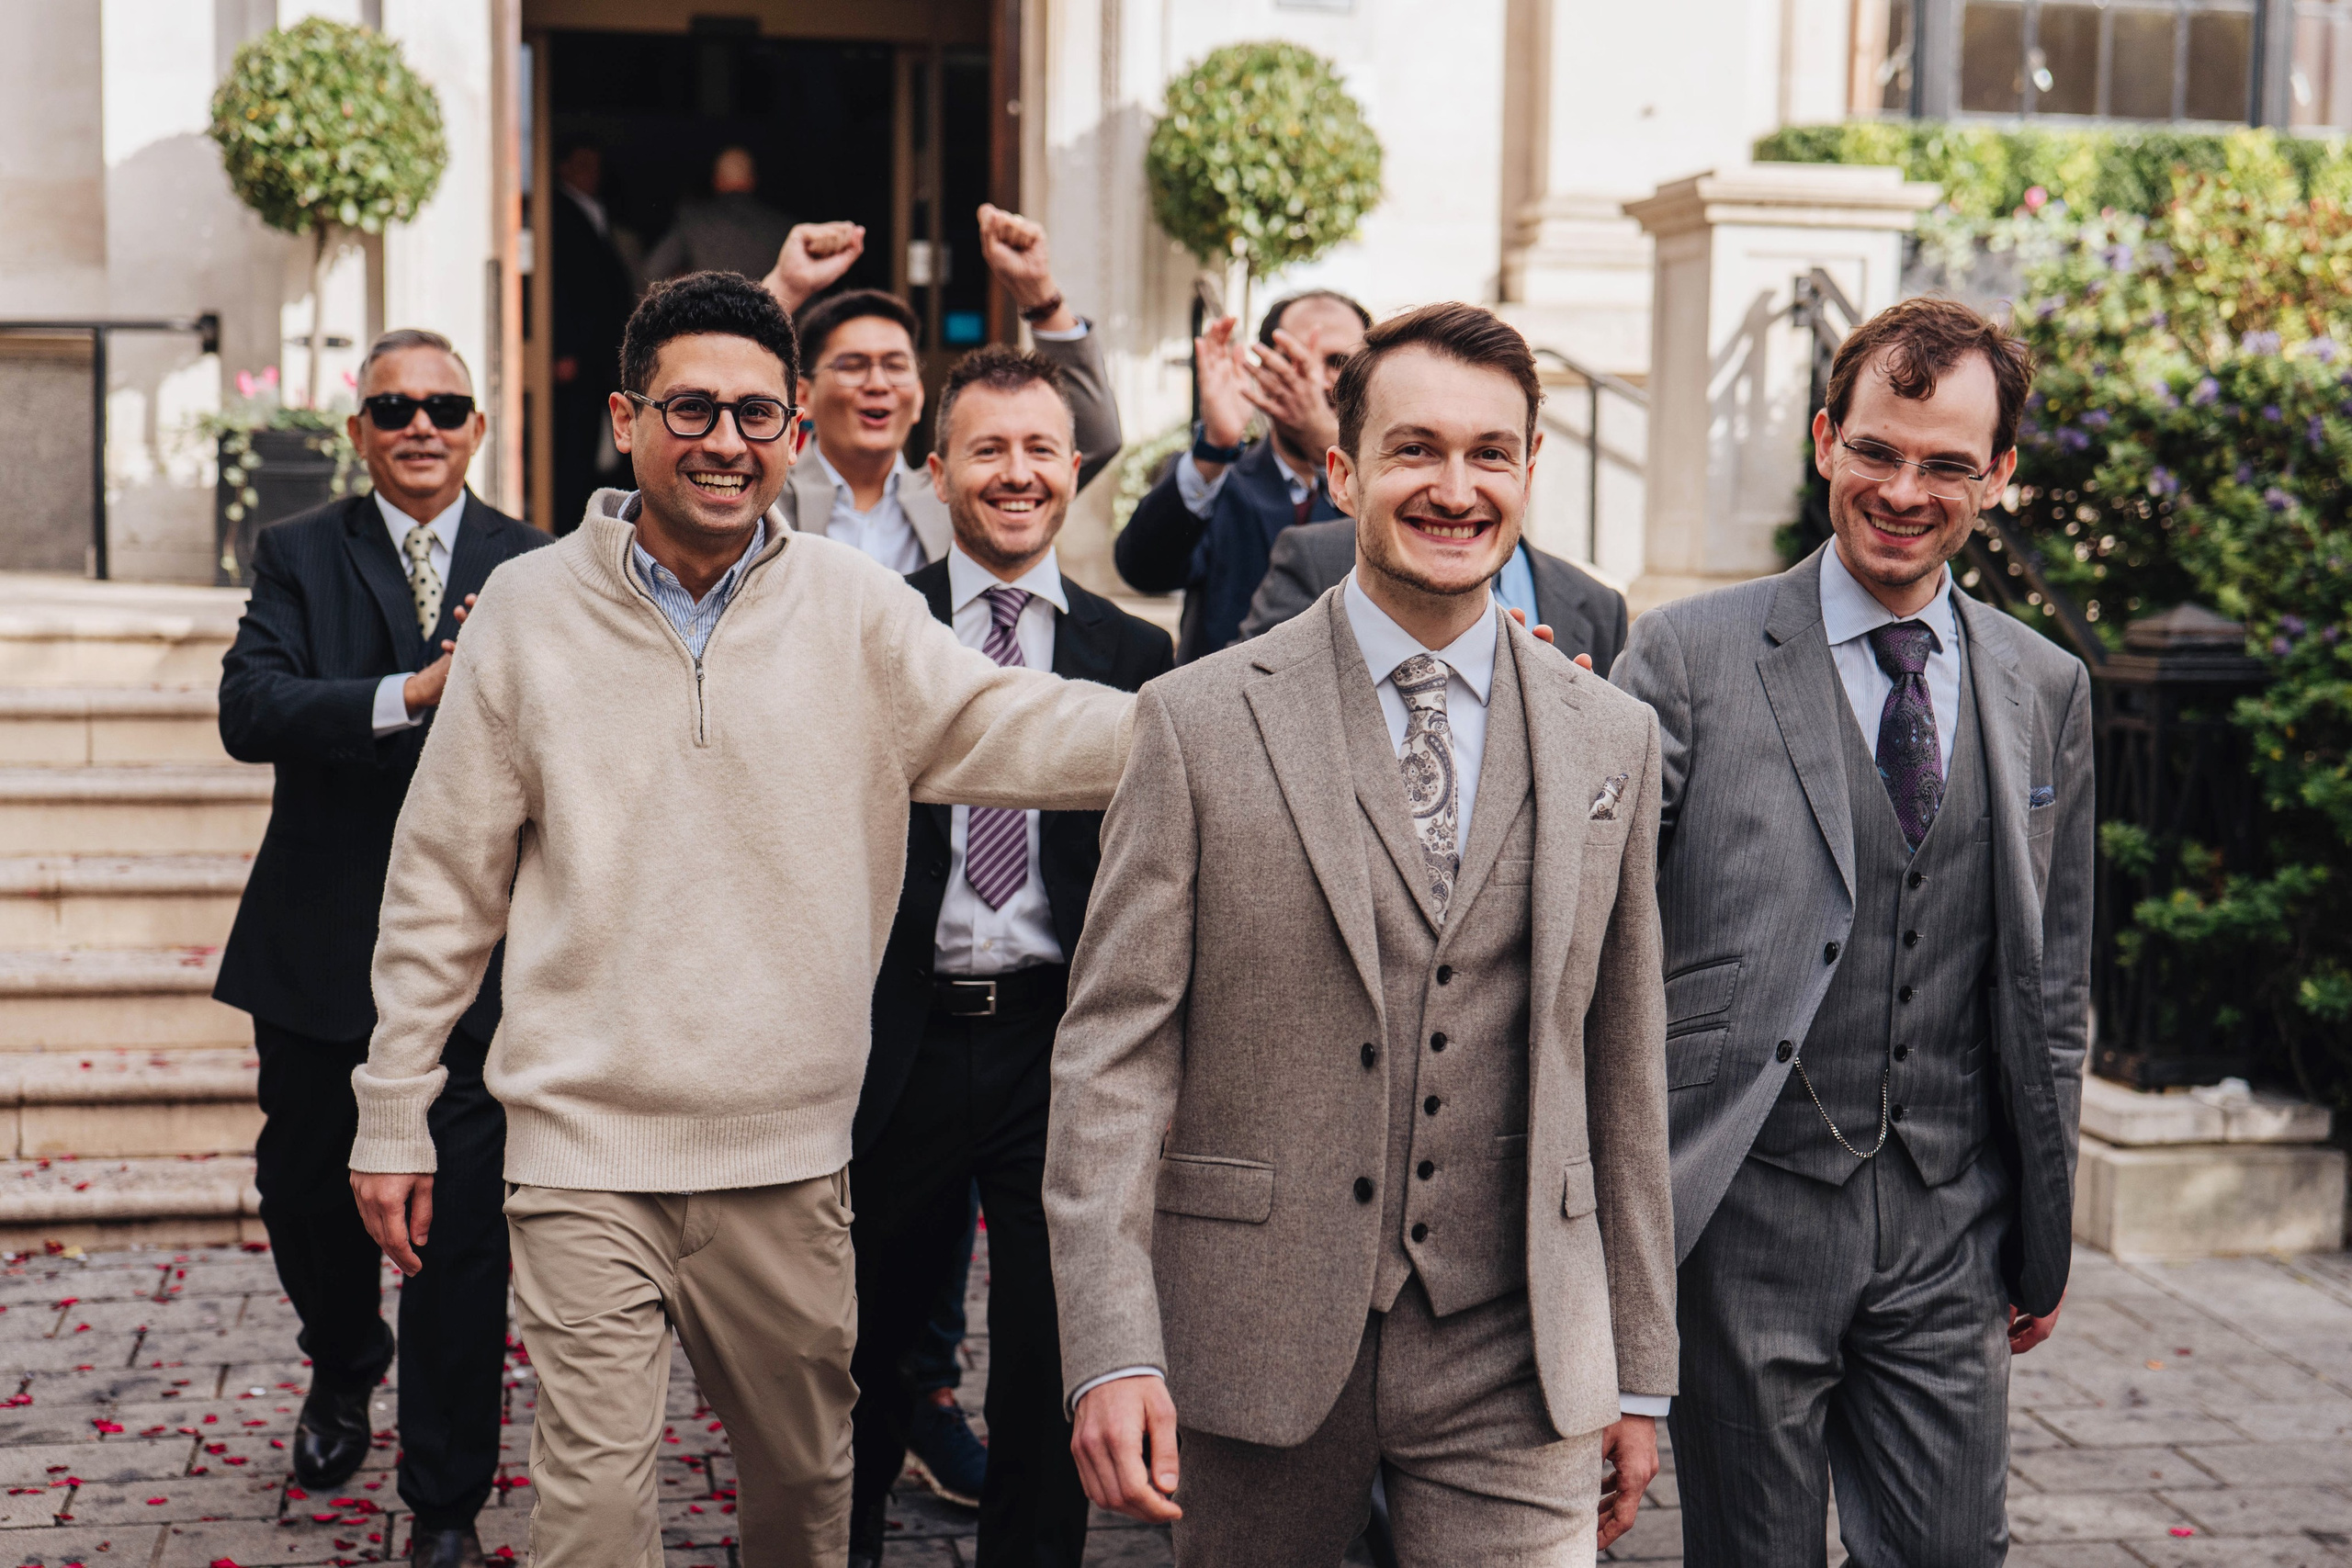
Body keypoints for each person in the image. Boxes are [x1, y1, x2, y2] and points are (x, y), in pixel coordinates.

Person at [346, 271, 1136, 1568]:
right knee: (591, 1520)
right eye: (693, 408)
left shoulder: (860, 610)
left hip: (789, 1158)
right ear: (626, 419)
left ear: (798, 437)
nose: (726, 441)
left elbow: (1015, 725)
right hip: (584, 1152)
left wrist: (1242, 721)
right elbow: (442, 881)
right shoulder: (529, 614)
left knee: (805, 1505)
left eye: (757, 416)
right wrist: (393, 1102)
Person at [1045, 302, 1676, 1563]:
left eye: (1491, 453)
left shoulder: (1612, 733)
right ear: (1343, 470)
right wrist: (1112, 1342)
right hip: (1254, 1335)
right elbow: (1113, 1057)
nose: (1455, 487)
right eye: (1416, 450)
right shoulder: (1198, 721)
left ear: (1529, 471)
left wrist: (1640, 1364)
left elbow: (1625, 1060)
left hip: (1517, 1343)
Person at [1609, 296, 2090, 1568]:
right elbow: (1589, 943)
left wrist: (2044, 1222)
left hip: (1950, 1218)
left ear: (2000, 476)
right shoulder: (1685, 656)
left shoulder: (2045, 685)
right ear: (1826, 439)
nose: (1902, 489)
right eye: (1876, 449)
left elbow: (2054, 979)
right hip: (1744, 1214)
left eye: (1945, 464)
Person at [214, 328, 550, 1568]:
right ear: (358, 431)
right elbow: (250, 706)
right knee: (307, 1191)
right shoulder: (300, 552)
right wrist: (411, 691)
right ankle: (346, 1353)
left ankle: (446, 1506)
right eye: (393, 406)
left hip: (481, 961)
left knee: (459, 1235)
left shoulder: (539, 560)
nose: (420, 424)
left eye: (444, 405)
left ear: (478, 425)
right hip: (317, 946)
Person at [848, 345, 1174, 1568]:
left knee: (1052, 1363)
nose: (1016, 471)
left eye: (1040, 447)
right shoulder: (869, 629)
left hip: (1063, 1046)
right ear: (935, 470)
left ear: (1077, 469)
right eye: (986, 447)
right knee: (861, 1356)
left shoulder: (1138, 656)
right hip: (898, 1040)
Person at [770, 207, 1120, 569]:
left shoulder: (953, 497)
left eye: (895, 366)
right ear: (803, 397)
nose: (877, 384)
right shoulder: (766, 496)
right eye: (852, 366)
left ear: (919, 397)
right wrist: (784, 288)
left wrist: (1040, 295)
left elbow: (1095, 439)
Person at [1114, 290, 1369, 661]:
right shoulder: (1219, 480)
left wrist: (1337, 450)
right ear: (1262, 369)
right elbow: (1144, 572)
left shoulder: (1388, 485)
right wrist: (1214, 448)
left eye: (1337, 362)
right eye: (1294, 359)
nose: (1316, 381)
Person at [1238, 517, 1630, 675]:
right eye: (1416, 450)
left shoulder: (1600, 605)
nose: (1456, 496)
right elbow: (1256, 700)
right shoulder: (1315, 555)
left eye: (1490, 453)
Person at [550, 138, 640, 536]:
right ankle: (568, 527)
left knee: (592, 447)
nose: (592, 172)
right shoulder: (557, 210)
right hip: (576, 356)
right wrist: (563, 347)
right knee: (574, 448)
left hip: (599, 355)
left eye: (596, 164)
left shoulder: (594, 211)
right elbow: (558, 283)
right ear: (562, 166)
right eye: (583, 162)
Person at [645, 146, 797, 282]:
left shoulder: (693, 222)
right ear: (752, 180)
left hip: (709, 313)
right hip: (770, 312)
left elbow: (653, 272)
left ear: (717, 181)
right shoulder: (785, 227)